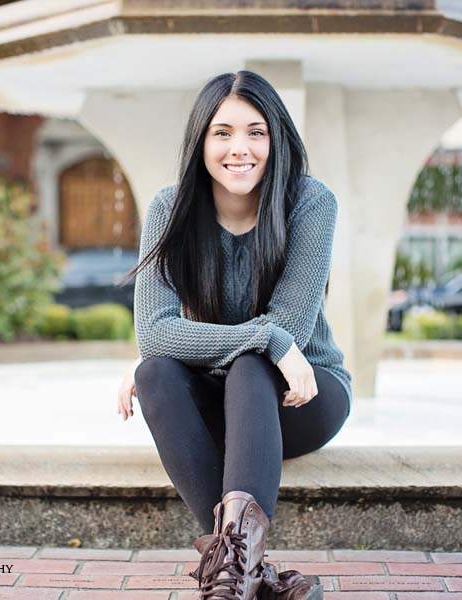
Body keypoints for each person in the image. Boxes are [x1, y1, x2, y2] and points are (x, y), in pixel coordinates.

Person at [116, 70, 351, 600]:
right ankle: (245, 574)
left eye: (255, 132)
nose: (238, 148)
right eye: (221, 132)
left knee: (250, 366)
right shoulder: (168, 209)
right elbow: (153, 337)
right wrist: (262, 339)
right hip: (225, 401)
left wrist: (252, 344)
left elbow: (290, 333)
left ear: (276, 139)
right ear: (200, 141)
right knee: (154, 371)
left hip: (305, 394)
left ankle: (234, 575)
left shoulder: (311, 203)